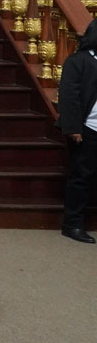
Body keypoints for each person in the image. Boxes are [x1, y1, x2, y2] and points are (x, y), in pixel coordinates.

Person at [58, 20, 97, 243]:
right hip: (87, 129)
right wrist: (73, 128)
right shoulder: (78, 61)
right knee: (81, 178)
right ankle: (72, 225)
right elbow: (68, 97)